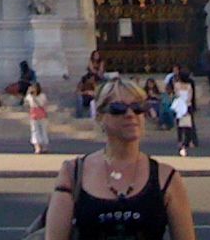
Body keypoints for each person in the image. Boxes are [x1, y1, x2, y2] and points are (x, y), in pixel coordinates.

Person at [42, 78, 197, 240]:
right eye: (118, 108)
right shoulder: (72, 173)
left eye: (137, 108)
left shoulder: (166, 177)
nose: (130, 114)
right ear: (100, 116)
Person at [171, 75, 197, 158]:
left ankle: (184, 141)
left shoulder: (183, 85)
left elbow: (187, 96)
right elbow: (187, 96)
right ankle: (184, 141)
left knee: (184, 124)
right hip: (183, 105)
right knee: (184, 124)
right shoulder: (183, 85)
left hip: (184, 105)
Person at [25, 81, 50, 154]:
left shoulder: (42, 95)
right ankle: (37, 147)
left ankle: (44, 146)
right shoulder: (30, 96)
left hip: (41, 113)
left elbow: (44, 104)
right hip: (34, 114)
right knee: (35, 130)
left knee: (43, 130)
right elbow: (26, 102)